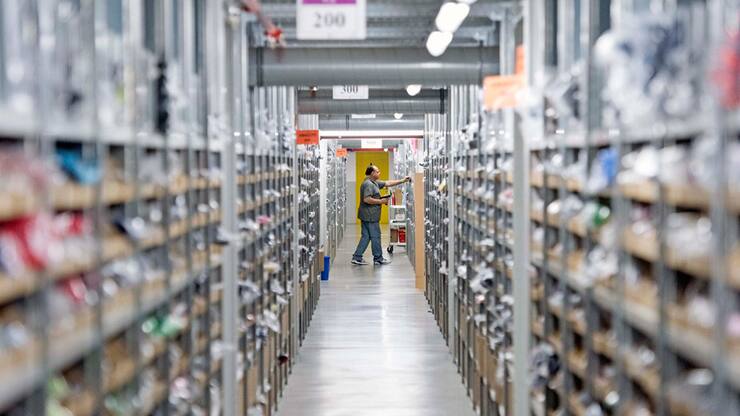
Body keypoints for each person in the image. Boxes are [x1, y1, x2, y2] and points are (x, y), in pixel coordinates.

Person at [352, 165, 411, 266]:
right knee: (375, 236)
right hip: (370, 216)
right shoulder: (368, 184)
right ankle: (378, 258)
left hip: (367, 215)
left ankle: (357, 257)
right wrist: (381, 201)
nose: (379, 173)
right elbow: (366, 199)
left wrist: (402, 180)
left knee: (366, 237)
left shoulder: (374, 182)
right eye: (377, 171)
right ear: (372, 173)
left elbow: (387, 183)